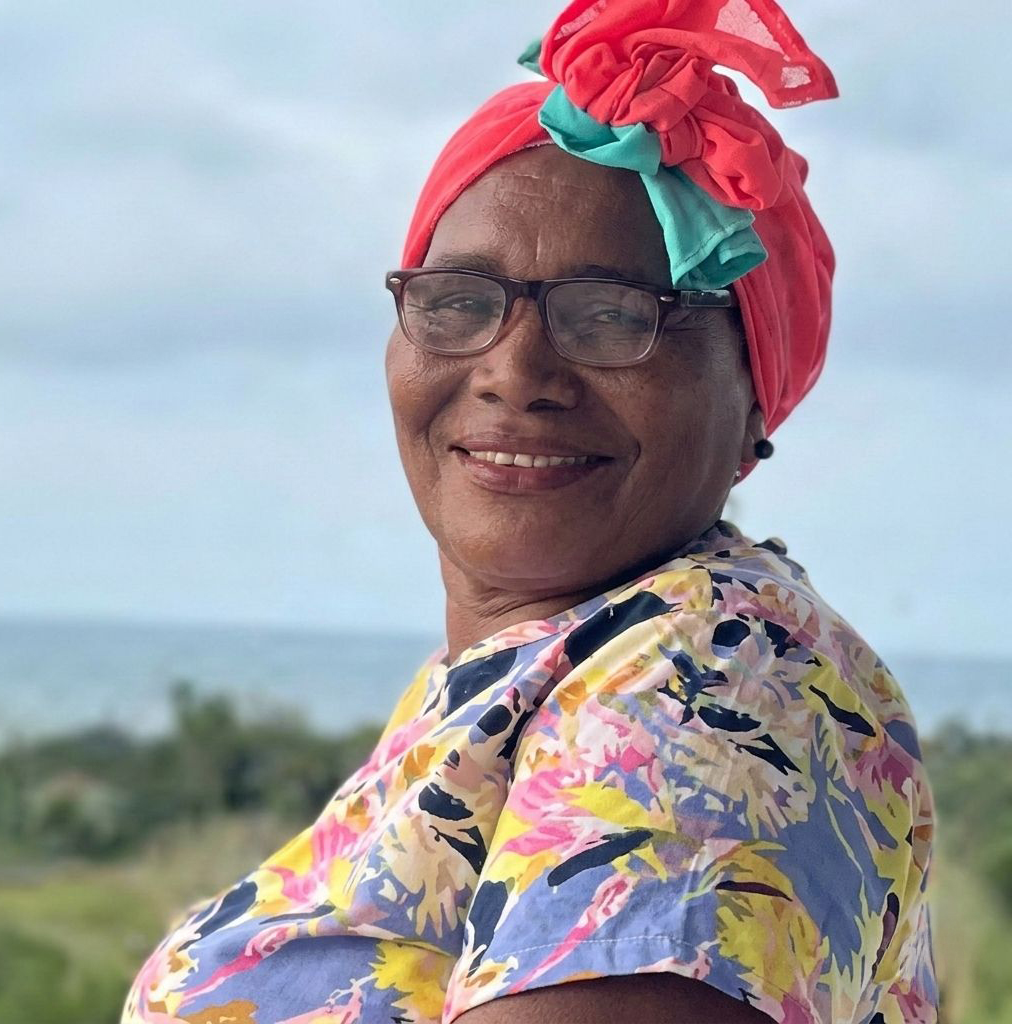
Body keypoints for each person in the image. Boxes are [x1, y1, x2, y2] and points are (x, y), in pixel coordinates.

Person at [123, 2, 938, 1021]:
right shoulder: (534, 673)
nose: (512, 370)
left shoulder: (713, 677)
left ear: (752, 405)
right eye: (459, 301)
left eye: (614, 317)